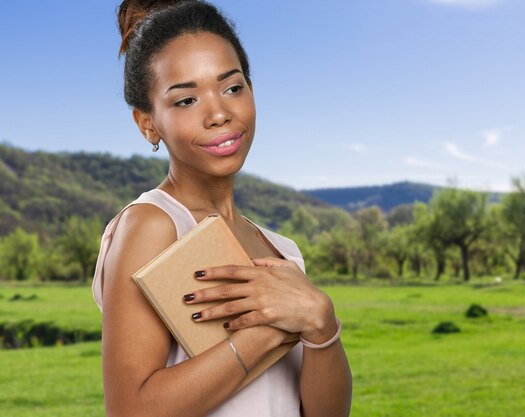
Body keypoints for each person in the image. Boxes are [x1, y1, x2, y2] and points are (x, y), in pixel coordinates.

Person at [91, 1, 352, 416]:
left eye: (232, 88)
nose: (219, 114)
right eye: (186, 100)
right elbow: (130, 409)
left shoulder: (282, 250)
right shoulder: (154, 225)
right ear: (148, 123)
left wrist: (321, 322)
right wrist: (268, 332)